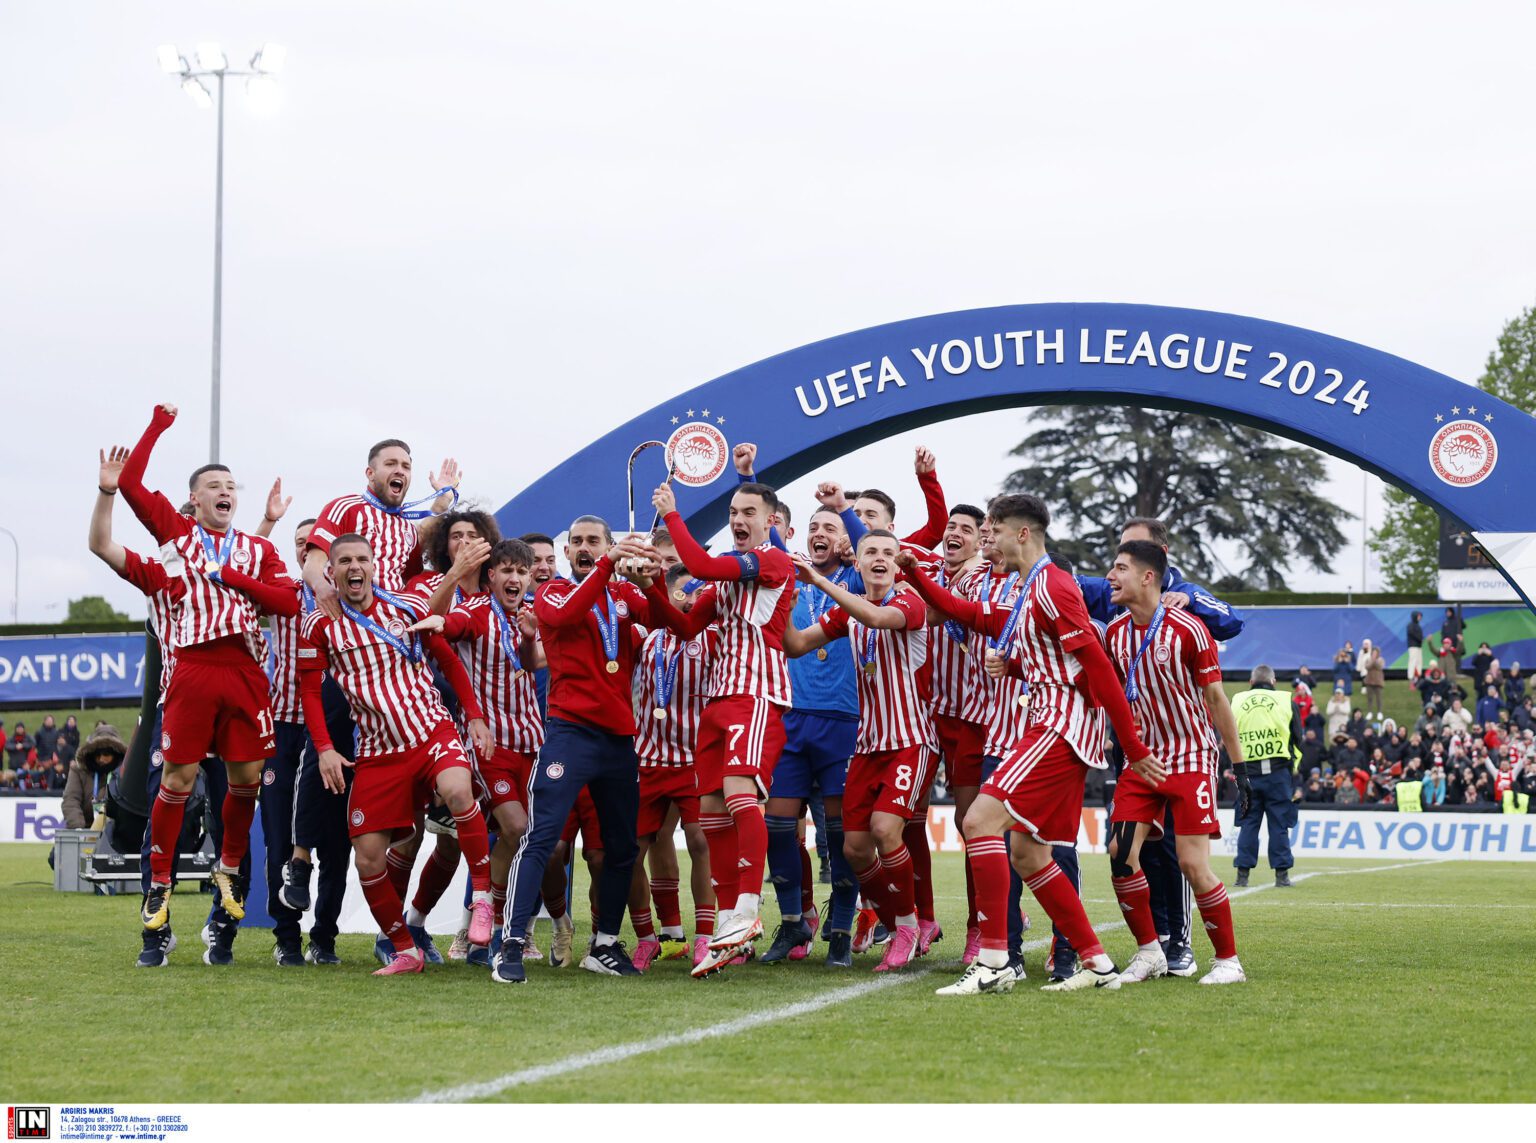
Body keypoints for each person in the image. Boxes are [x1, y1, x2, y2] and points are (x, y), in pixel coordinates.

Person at [900, 493, 1157, 995]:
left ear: (1022, 533)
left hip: (1058, 725)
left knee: (978, 821)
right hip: (1052, 723)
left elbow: (1098, 667)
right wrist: (916, 575)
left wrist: (1133, 746)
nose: (987, 538)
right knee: (1029, 854)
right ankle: (1096, 963)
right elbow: (970, 615)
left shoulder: (1054, 585)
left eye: (993, 530)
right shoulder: (1028, 586)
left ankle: (995, 961)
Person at [117, 403, 299, 940]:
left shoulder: (257, 549)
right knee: (178, 780)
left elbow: (287, 604)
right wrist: (157, 425)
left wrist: (235, 579)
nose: (225, 492)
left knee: (246, 781)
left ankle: (229, 868)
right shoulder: (175, 536)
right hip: (194, 667)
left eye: (230, 486)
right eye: (214, 486)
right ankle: (159, 883)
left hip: (244, 671)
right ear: (195, 499)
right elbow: (130, 484)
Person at [299, 533, 496, 976]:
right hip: (378, 751)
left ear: (374, 566)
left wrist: (474, 716)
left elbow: (448, 661)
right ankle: (406, 950)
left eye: (362, 559)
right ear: (332, 571)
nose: (355, 567)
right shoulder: (318, 625)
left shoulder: (405, 607)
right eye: (345, 561)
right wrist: (325, 749)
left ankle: (483, 898)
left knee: (457, 790)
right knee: (368, 856)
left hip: (429, 731)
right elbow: (309, 692)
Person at [492, 521, 667, 984]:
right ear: (567, 552)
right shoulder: (554, 592)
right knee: (542, 837)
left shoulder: (623, 597)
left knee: (622, 847)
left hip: (619, 740)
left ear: (608, 545)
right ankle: (511, 944)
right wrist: (609, 564)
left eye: (595, 542)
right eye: (578, 543)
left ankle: (604, 944)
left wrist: (654, 580)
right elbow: (566, 616)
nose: (585, 548)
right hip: (570, 735)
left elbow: (672, 622)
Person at [648, 482, 798, 976]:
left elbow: (704, 565)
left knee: (738, 796)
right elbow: (685, 627)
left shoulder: (773, 560)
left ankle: (748, 908)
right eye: (733, 511)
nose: (737, 519)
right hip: (717, 701)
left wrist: (673, 516)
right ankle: (730, 923)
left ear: (770, 521)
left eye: (748, 511)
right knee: (711, 812)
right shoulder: (725, 580)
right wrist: (652, 584)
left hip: (755, 695)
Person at [783, 529, 938, 973]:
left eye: (889, 552)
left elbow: (875, 617)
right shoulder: (846, 613)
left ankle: (906, 927)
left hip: (910, 741)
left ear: (896, 563)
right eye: (871, 551)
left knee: (886, 830)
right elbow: (796, 645)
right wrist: (783, 604)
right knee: (854, 849)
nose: (880, 558)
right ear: (859, 562)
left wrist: (817, 580)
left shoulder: (907, 601)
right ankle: (898, 923)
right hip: (868, 746)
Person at [1102, 540, 1247, 985]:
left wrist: (1239, 767)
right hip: (1143, 760)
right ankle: (1150, 953)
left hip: (1191, 755)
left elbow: (1216, 700)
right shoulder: (1114, 634)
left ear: (1148, 577)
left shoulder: (1189, 630)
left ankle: (1228, 962)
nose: (1110, 576)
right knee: (1120, 854)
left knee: (1191, 863)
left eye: (1120, 568)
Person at [759, 495, 862, 966]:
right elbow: (765, 526)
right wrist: (747, 477)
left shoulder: (854, 579)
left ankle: (840, 928)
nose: (821, 533)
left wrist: (844, 511)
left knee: (839, 835)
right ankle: (794, 921)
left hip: (842, 721)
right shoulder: (789, 573)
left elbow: (867, 545)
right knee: (778, 827)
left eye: (830, 528)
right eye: (813, 526)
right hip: (791, 719)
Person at [441, 539, 547, 962]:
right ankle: (489, 915)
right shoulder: (474, 612)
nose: (514, 578)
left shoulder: (531, 614)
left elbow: (535, 662)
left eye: (521, 571)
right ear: (491, 576)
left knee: (535, 839)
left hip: (532, 741)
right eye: (506, 570)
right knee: (516, 829)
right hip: (490, 744)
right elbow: (439, 624)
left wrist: (529, 637)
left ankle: (496, 924)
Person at [625, 564, 717, 969]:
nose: (692, 600)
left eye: (699, 593)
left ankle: (706, 937)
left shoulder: (714, 638)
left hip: (696, 760)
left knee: (701, 841)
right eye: (683, 592)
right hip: (647, 759)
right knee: (631, 851)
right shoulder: (643, 635)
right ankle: (648, 938)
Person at [1230, 665, 1303, 887]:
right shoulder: (1285, 701)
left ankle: (1242, 876)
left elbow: (1227, 736)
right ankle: (1282, 876)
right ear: (1273, 682)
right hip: (1278, 774)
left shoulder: (1237, 701)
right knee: (1279, 825)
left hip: (1248, 774)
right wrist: (1294, 773)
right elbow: (1297, 739)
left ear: (1251, 682)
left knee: (1248, 824)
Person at [61, 723, 126, 829]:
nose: (101, 759)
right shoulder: (78, 770)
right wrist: (79, 829)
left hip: (117, 831)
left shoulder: (126, 773)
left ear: (116, 753)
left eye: (106, 754)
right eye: (97, 754)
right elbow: (71, 800)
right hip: (85, 829)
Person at [1362, 644, 1386, 722]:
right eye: (1373, 652)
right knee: (1369, 698)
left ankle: (1379, 712)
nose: (1374, 654)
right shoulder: (1368, 659)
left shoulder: (1381, 660)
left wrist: (1375, 661)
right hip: (1369, 681)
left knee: (1379, 698)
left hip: (1378, 682)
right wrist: (1372, 661)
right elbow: (1367, 667)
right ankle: (1370, 712)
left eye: (1376, 653)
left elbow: (1380, 667)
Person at [1406, 611, 1425, 681]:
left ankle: (1418, 675)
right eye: (1418, 616)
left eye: (1420, 616)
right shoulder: (1410, 625)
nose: (1420, 618)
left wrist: (1421, 639)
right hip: (1413, 646)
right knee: (1413, 661)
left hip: (1418, 646)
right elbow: (1412, 633)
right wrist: (1420, 638)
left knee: (1419, 661)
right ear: (1415, 616)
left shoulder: (1418, 626)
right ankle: (1411, 676)